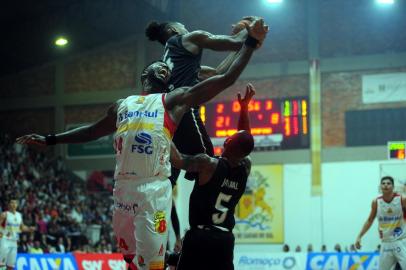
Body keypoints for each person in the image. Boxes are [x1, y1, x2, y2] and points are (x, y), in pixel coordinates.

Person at [16, 19, 268, 270]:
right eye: (159, 68)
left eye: (166, 71)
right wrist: (51, 139)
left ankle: (185, 236)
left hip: (154, 189)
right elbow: (92, 131)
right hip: (123, 188)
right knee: (130, 258)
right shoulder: (122, 104)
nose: (163, 70)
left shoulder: (173, 100)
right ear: (144, 75)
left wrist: (249, 42)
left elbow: (224, 77)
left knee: (153, 260)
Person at [145, 16, 255, 184]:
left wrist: (240, 47)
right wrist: (251, 27)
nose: (187, 29)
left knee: (170, 176)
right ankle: (209, 209)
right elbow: (234, 41)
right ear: (173, 30)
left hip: (167, 119)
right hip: (184, 112)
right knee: (211, 166)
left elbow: (217, 74)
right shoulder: (188, 38)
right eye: (184, 26)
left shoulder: (170, 62)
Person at [170, 84, 256, 270]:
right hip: (224, 240)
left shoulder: (207, 164)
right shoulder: (245, 167)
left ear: (226, 142)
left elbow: (177, 160)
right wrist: (244, 108)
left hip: (201, 237)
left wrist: (160, 133)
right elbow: (245, 141)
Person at [355, 176, 406, 269]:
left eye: (388, 183)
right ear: (380, 187)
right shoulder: (376, 202)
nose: (385, 185)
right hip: (385, 243)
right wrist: (359, 236)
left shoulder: (402, 199)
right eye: (383, 183)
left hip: (401, 241)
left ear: (393, 187)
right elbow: (370, 220)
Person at [0, 199, 35, 270]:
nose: (13, 204)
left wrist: (29, 229)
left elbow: (22, 227)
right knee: (1, 264)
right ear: (9, 204)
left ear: (17, 205)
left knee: (11, 266)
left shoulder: (19, 215)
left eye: (15, 203)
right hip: (5, 240)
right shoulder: (4, 214)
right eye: (11, 203)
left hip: (14, 241)